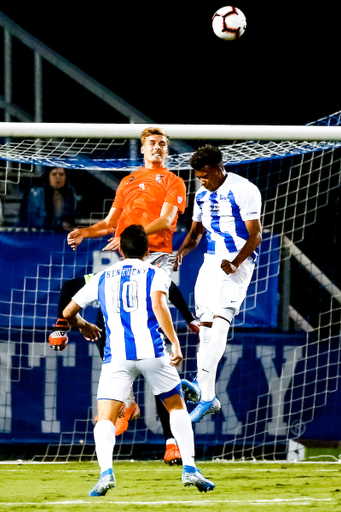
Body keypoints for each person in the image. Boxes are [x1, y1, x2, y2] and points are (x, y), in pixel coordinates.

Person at [51, 127, 198, 463]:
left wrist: (132, 235)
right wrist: (85, 232)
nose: (158, 148)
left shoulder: (174, 182)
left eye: (163, 144)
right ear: (142, 148)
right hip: (126, 261)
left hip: (155, 259)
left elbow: (165, 221)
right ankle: (126, 400)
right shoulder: (129, 181)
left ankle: (171, 441)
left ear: (167, 151)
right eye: (152, 143)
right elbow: (110, 223)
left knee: (155, 351)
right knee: (78, 293)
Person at [62, 225, 215, 496]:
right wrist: (175, 343)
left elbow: (69, 311)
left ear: (120, 249)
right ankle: (190, 468)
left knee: (106, 420)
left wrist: (83, 324)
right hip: (153, 354)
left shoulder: (103, 275)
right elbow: (159, 305)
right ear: (147, 251)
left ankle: (106, 473)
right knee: (177, 408)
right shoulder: (155, 272)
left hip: (116, 357)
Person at [174, 145, 262, 423]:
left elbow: (256, 235)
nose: (201, 181)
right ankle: (206, 391)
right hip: (210, 263)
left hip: (236, 263)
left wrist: (236, 262)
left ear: (217, 168)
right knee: (206, 329)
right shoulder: (201, 195)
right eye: (198, 177)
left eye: (204, 175)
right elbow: (196, 232)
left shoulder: (244, 189)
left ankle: (207, 394)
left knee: (220, 324)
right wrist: (181, 253)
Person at [19, 167, 80, 232]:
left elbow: (72, 218)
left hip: (61, 235)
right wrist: (59, 224)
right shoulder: (36, 193)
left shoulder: (71, 194)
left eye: (61, 174)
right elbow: (31, 220)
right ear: (48, 176)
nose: (58, 177)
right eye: (54, 174)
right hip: (37, 234)